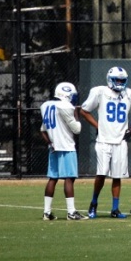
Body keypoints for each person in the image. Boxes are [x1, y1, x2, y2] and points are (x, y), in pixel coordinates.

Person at [79, 66, 131, 219]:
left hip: (120, 141)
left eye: (122, 80)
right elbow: (84, 110)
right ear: (110, 79)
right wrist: (97, 125)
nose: (120, 83)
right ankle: (93, 203)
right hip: (104, 140)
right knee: (101, 174)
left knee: (117, 176)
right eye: (117, 80)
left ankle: (115, 209)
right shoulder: (99, 91)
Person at [40, 82, 88, 221]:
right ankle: (71, 212)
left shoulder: (47, 106)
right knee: (69, 179)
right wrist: (76, 114)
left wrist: (51, 143)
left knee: (52, 179)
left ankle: (46, 212)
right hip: (66, 147)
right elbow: (77, 129)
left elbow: (42, 131)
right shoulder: (66, 106)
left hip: (54, 147)